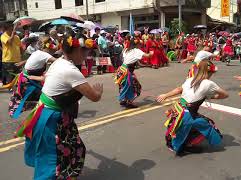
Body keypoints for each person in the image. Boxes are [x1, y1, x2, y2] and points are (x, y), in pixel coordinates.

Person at [17, 34, 103, 179]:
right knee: (51, 161)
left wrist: (33, 78)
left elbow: (45, 78)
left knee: (75, 149)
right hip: (52, 119)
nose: (86, 54)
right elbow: (94, 97)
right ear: (75, 51)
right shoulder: (71, 71)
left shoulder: (58, 62)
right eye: (84, 50)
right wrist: (99, 91)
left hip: (53, 115)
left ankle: (67, 175)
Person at [157, 60, 228, 155]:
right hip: (188, 115)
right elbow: (225, 94)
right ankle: (187, 145)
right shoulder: (209, 83)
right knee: (209, 125)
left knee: (196, 122)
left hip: (178, 110)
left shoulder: (190, 79)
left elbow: (179, 89)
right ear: (210, 72)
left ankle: (182, 139)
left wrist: (166, 95)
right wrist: (212, 97)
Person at [8, 37, 57, 118]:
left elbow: (30, 59)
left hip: (27, 78)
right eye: (53, 50)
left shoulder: (37, 52)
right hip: (29, 80)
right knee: (44, 96)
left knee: (37, 97)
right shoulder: (45, 54)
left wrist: (22, 62)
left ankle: (38, 112)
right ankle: (40, 114)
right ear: (49, 48)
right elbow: (57, 61)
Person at [115, 38, 153, 108]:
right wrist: (151, 53)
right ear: (137, 44)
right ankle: (128, 101)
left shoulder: (126, 50)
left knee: (124, 85)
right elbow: (147, 56)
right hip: (127, 71)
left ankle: (124, 99)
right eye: (140, 44)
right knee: (136, 86)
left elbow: (136, 62)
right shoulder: (136, 51)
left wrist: (146, 65)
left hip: (121, 69)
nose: (141, 46)